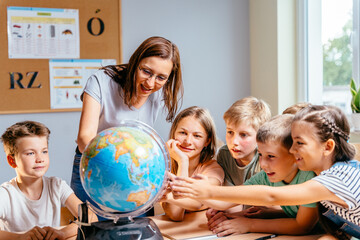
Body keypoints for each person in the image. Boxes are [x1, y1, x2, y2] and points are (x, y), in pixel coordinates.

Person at [171, 105, 360, 239]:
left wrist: (208, 191)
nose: (293, 151)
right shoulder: (324, 174)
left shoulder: (340, 177)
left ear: (327, 147)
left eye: (299, 144)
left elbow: (272, 196)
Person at [70, 36, 184, 216]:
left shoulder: (160, 91)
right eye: (146, 71)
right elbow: (85, 138)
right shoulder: (101, 80)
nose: (150, 83)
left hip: (136, 168)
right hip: (95, 163)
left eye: (161, 77)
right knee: (92, 230)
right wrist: (112, 165)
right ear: (135, 61)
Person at [206, 114, 319, 236]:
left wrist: (250, 224)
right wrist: (226, 214)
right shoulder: (267, 175)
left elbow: (302, 227)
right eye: (260, 154)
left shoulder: (309, 176)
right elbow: (230, 199)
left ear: (295, 155)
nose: (263, 164)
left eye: (271, 156)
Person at [0, 121, 96, 240]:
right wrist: (20, 237)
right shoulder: (5, 194)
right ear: (12, 161)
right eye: (30, 153)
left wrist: (63, 233)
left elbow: (91, 216)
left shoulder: (57, 186)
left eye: (44, 151)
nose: (40, 159)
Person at [160, 106, 224, 221]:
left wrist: (182, 161)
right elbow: (175, 214)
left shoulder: (213, 170)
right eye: (183, 133)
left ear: (207, 141)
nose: (188, 141)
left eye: (197, 136)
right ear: (174, 133)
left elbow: (178, 212)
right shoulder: (162, 166)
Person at [217, 96, 271, 186]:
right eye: (230, 132)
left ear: (260, 135)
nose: (234, 142)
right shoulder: (224, 155)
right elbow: (227, 194)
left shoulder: (266, 159)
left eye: (244, 135)